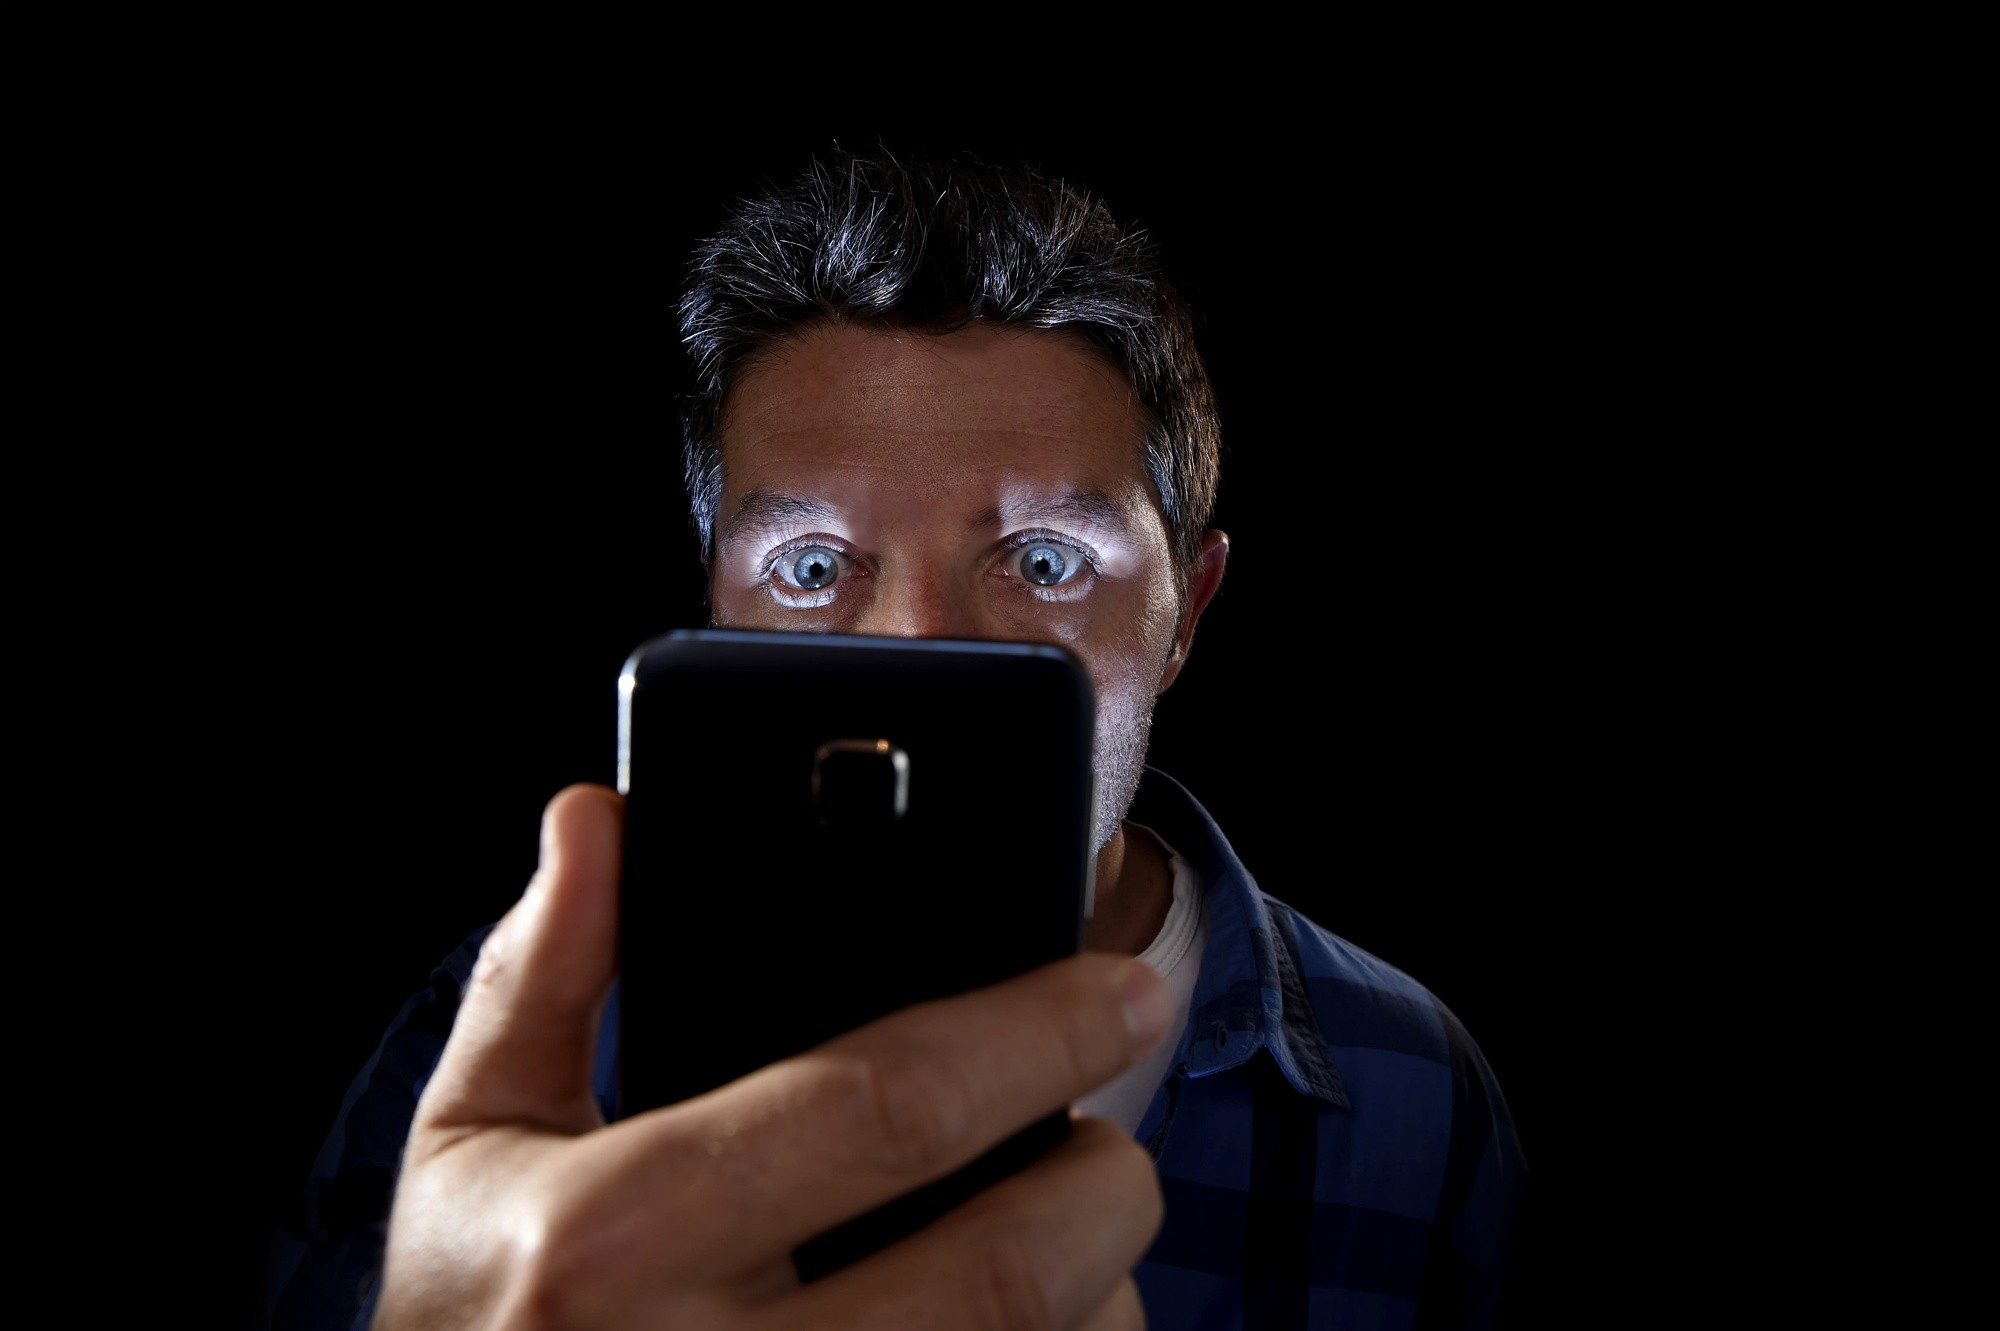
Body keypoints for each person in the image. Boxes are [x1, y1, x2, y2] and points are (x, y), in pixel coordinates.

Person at [264, 145, 1528, 1330]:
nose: (921, 646)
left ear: (1184, 615)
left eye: (1044, 560)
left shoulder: (1414, 1086)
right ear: (716, 603)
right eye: (813, 566)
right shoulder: (489, 1056)